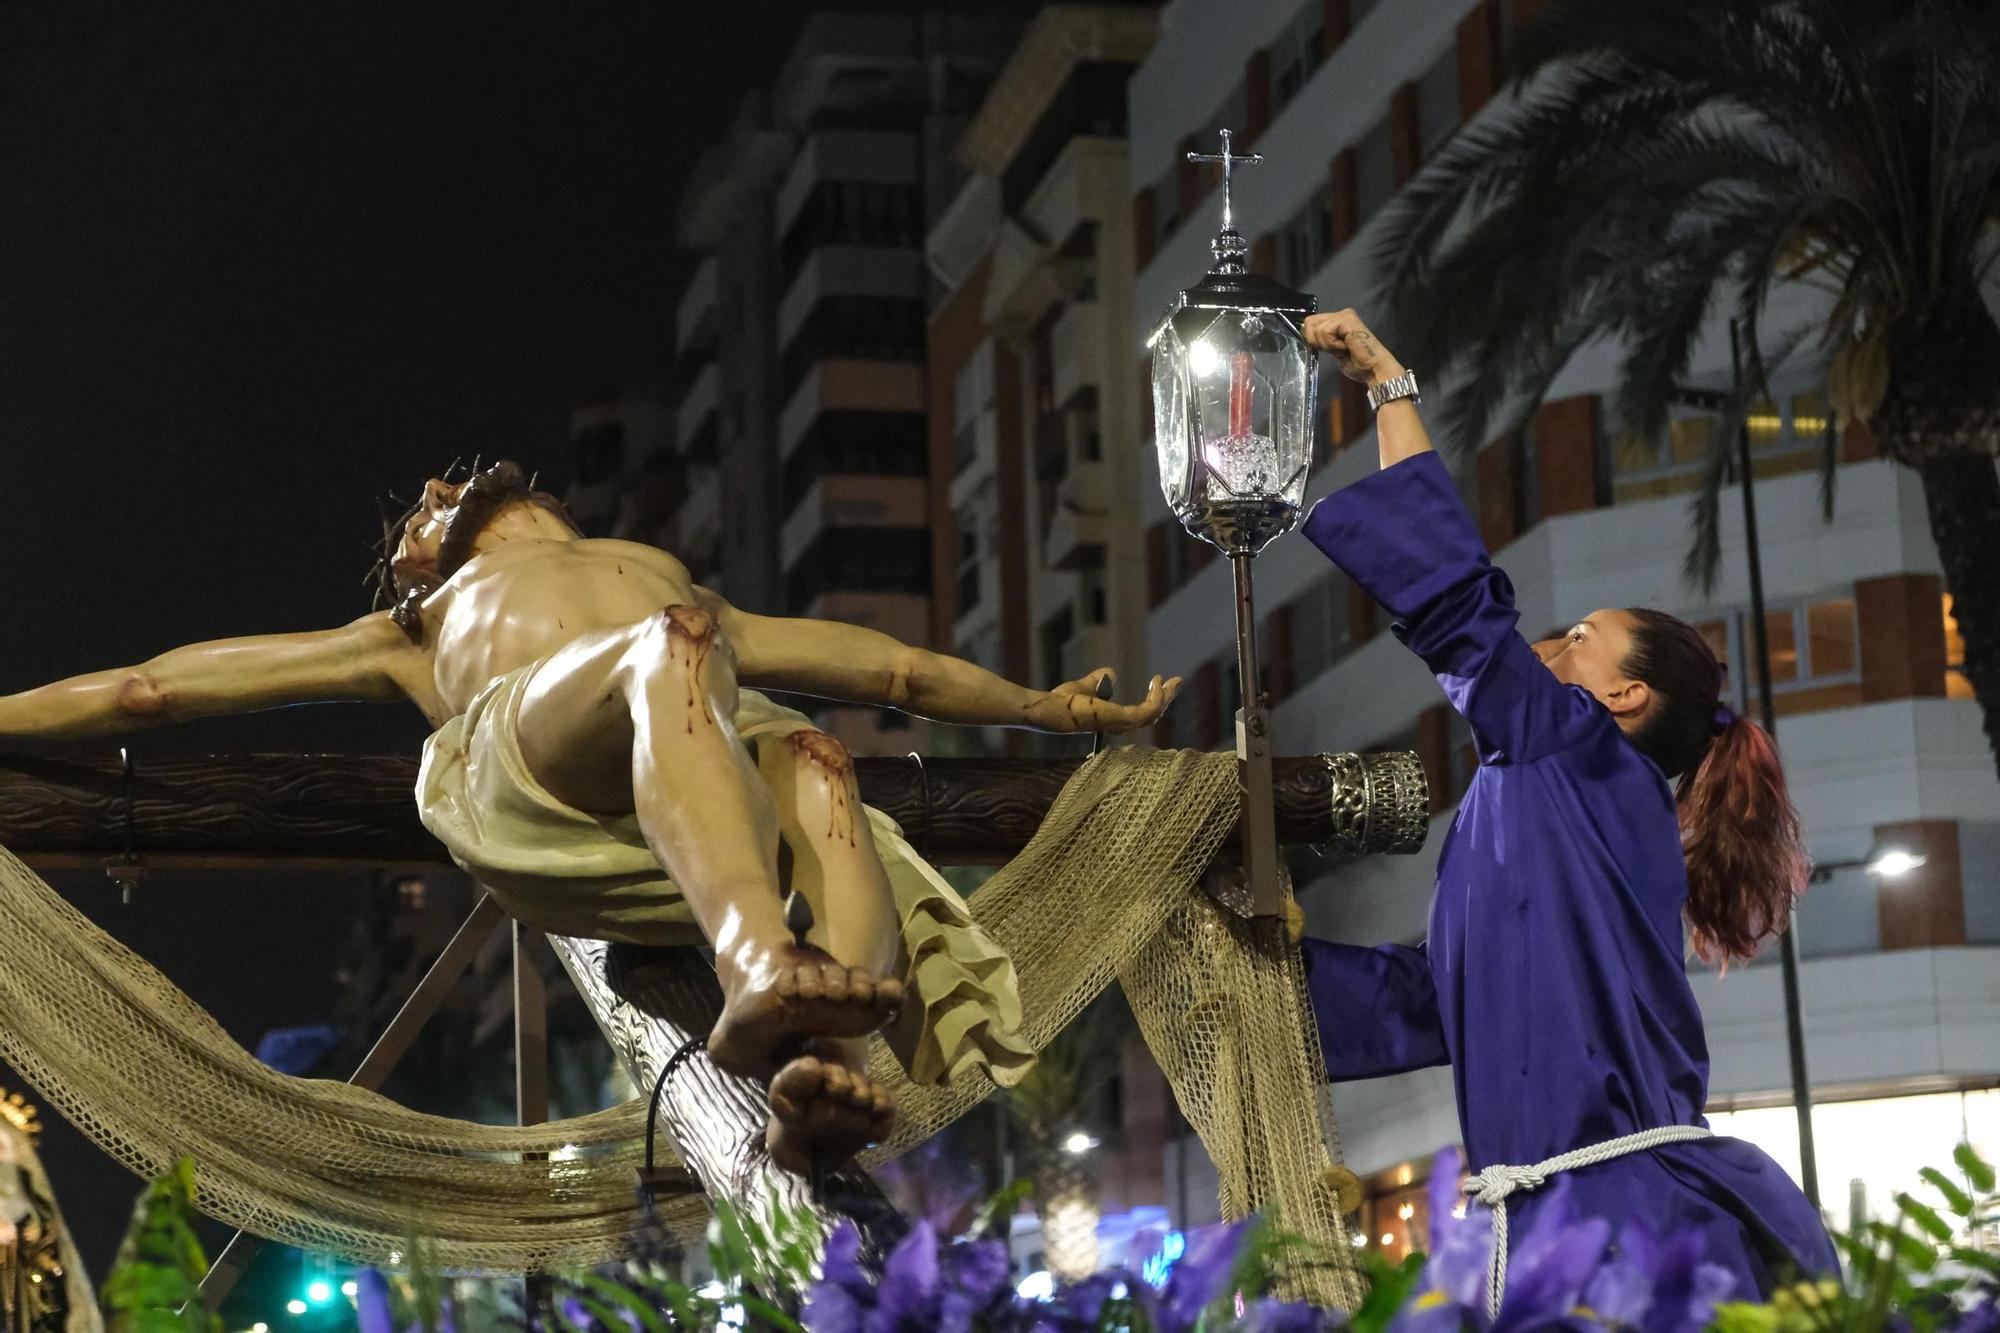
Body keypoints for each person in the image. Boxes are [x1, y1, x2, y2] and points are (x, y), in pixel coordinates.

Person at [0, 461, 1180, 1172]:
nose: (430, 497)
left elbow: (892, 672)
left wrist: (1043, 706)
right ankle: (758, 958)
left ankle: (824, 1060)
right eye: (414, 516)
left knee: (823, 763)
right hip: (540, 744)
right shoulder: (413, 628)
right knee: (664, 650)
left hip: (694, 717)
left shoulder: (673, 580)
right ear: (413, 573)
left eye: (434, 494)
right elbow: (149, 688)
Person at [1292, 310, 1838, 1303]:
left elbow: (1458, 608)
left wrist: (1388, 387)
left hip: (1621, 1228)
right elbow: (1431, 999)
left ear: (1618, 697)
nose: (1555, 636)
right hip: (1566, 1227)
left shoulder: (1577, 754)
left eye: (1583, 633)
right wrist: (1257, 973)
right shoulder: (1537, 800)